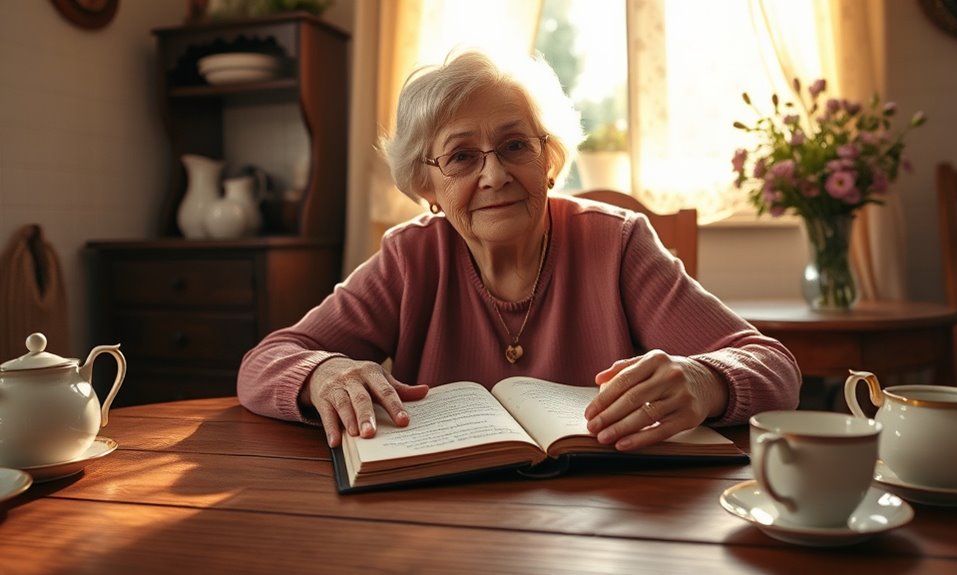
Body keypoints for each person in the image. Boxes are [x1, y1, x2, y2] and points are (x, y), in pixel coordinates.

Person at [237, 49, 801, 452]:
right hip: (440, 520)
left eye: (515, 146)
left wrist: (705, 381)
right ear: (426, 187)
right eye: (461, 157)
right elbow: (265, 362)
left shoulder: (618, 242)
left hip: (614, 513)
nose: (495, 175)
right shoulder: (410, 259)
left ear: (549, 161)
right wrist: (322, 372)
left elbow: (773, 366)